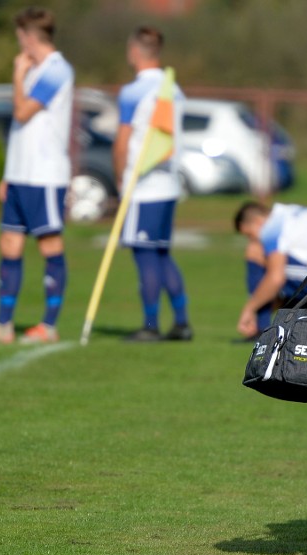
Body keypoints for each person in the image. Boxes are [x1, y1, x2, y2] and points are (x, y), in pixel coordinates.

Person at [0, 7, 73, 345]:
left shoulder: (56, 70)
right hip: (21, 175)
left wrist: (16, 74)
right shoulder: (34, 70)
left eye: (19, 37)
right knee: (9, 244)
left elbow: (23, 111)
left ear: (29, 37)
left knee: (49, 245)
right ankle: (3, 324)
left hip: (45, 176)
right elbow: (22, 128)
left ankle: (48, 326)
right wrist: (9, 173)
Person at [113, 25, 191, 342]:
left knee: (145, 255)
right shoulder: (175, 89)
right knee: (160, 254)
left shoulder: (134, 90)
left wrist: (120, 179)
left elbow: (122, 142)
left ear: (134, 51)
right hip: (169, 185)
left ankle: (150, 325)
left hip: (143, 186)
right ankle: (182, 322)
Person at [234, 201, 307, 339]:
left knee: (255, 252)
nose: (253, 239)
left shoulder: (271, 228)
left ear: (257, 222)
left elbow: (276, 278)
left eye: (250, 235)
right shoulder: (291, 211)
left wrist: (249, 309)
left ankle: (259, 329)